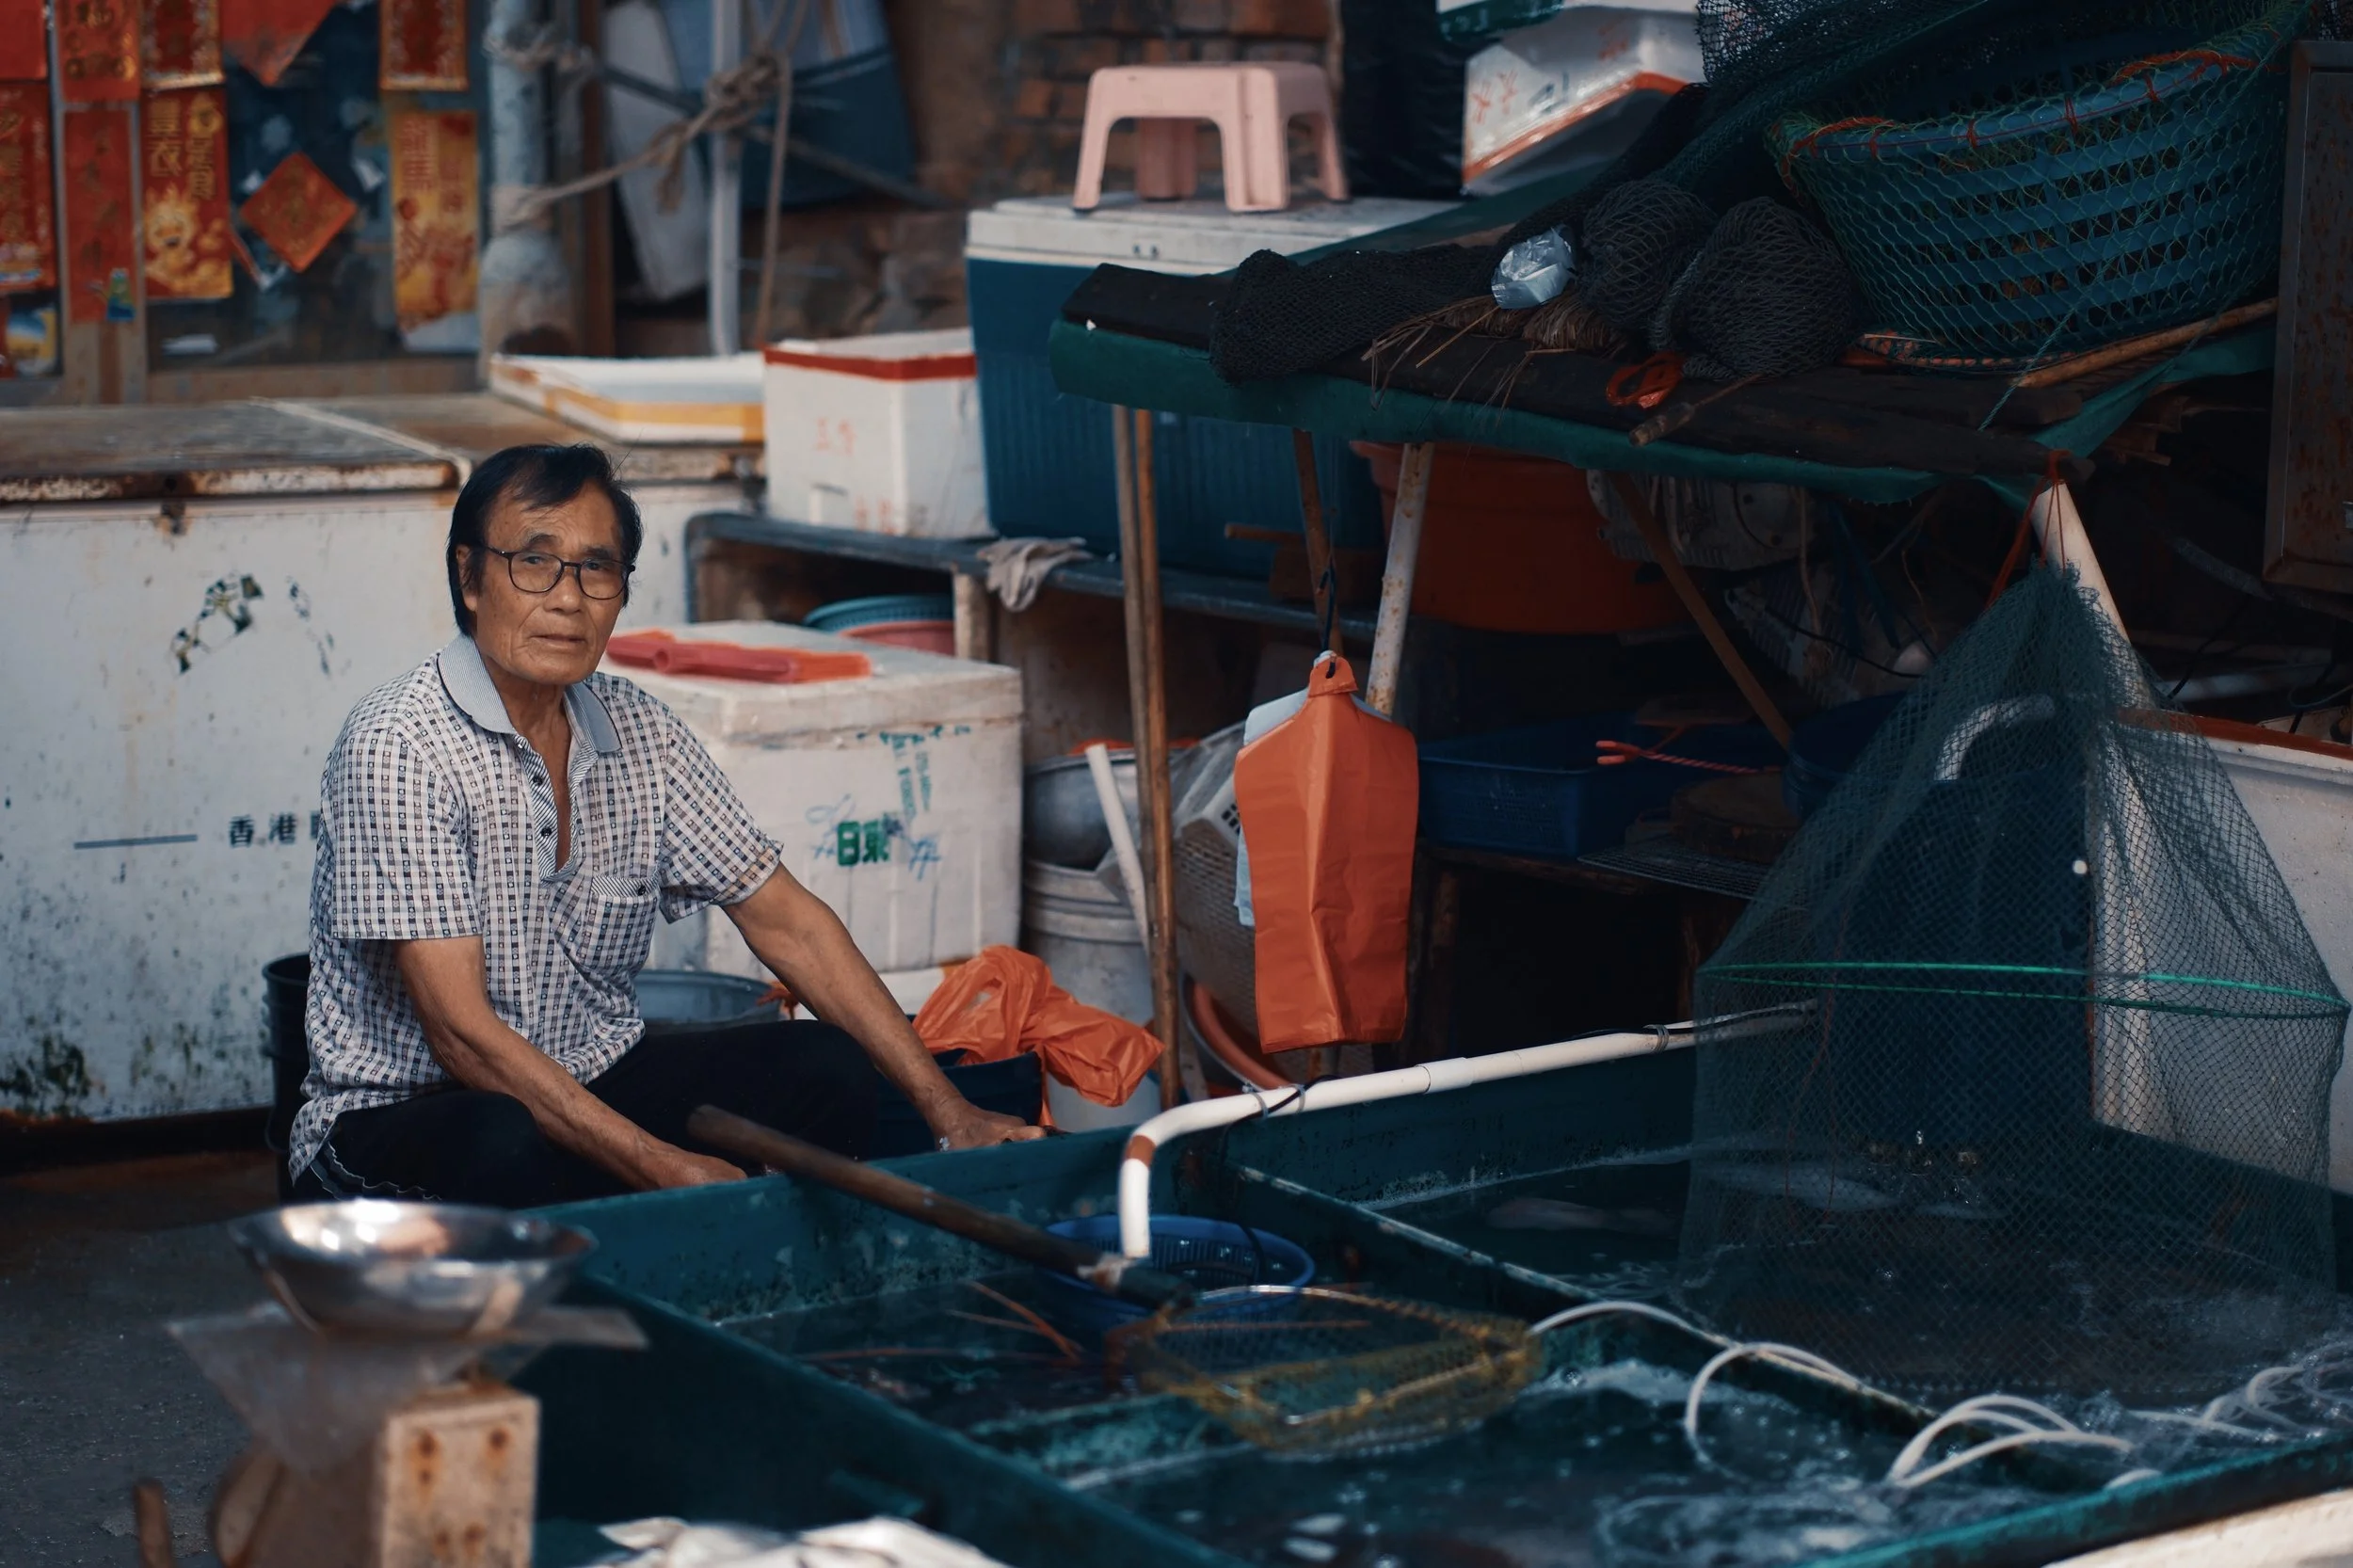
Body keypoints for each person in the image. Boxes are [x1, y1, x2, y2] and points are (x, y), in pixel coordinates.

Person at [287, 443, 1041, 1206]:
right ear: (469, 578)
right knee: (499, 1138)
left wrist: (952, 1113)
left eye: (596, 568)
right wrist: (660, 1164)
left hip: (590, 1087)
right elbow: (460, 1037)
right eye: (534, 563)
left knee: (826, 1067)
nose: (568, 599)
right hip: (405, 1117)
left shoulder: (641, 731)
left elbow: (790, 924)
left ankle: (727, 1261)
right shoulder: (401, 745)